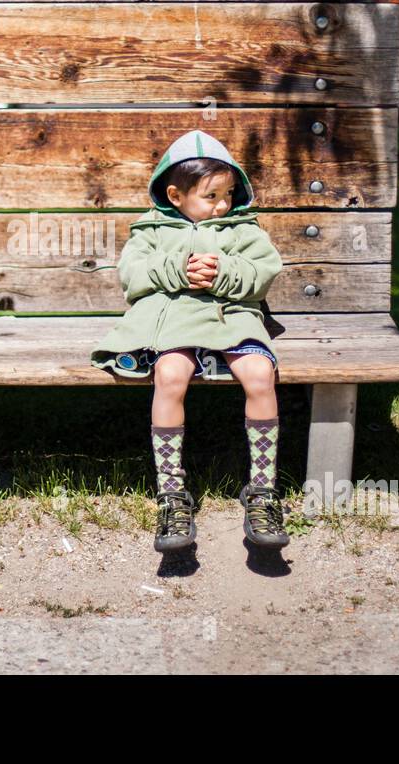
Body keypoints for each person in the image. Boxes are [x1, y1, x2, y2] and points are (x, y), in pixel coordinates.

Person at [92, 130, 289, 553]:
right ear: (176, 195)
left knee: (259, 374)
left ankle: (262, 489)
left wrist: (226, 273)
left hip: (231, 316)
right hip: (173, 321)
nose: (223, 204)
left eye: (229, 193)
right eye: (212, 196)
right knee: (170, 375)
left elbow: (263, 272)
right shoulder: (152, 230)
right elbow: (133, 276)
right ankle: (171, 492)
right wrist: (178, 269)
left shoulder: (243, 229)